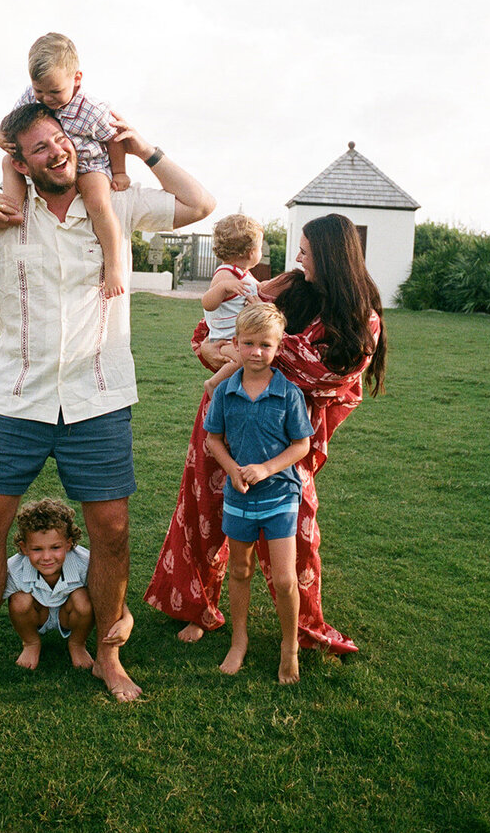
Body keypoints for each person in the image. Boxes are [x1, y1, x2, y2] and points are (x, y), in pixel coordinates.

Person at [0, 102, 215, 700]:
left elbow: (199, 205)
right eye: (39, 148)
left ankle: (109, 655)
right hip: (15, 396)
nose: (56, 151)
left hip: (99, 396)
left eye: (58, 138)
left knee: (110, 531)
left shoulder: (116, 200)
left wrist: (144, 149)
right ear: (21, 164)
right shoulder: (4, 214)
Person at [144, 213, 386, 652]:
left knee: (297, 531)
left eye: (306, 252)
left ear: (330, 257)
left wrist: (257, 345)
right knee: (205, 511)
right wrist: (224, 347)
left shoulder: (359, 318)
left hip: (285, 436)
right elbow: (218, 331)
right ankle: (199, 607)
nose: (297, 258)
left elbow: (327, 375)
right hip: (227, 416)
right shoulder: (290, 289)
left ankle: (305, 629)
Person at [203, 303, 313, 683]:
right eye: (248, 344)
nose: (255, 352)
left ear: (277, 348)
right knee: (239, 570)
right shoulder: (225, 393)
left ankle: (290, 647)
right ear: (235, 343)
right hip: (239, 498)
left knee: (284, 580)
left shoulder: (289, 393)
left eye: (265, 345)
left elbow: (301, 446)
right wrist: (232, 469)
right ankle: (238, 640)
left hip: (281, 496)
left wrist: (266, 468)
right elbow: (213, 439)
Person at [0, 32, 131, 297]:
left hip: (89, 163)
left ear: (76, 79)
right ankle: (11, 209)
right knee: (8, 161)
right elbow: (11, 124)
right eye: (40, 91)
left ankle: (114, 264)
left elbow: (115, 137)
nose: (46, 99)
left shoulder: (91, 108)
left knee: (98, 204)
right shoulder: (30, 97)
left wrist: (119, 171)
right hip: (49, 165)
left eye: (55, 91)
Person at [0, 498, 133, 673]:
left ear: (69, 544)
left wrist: (127, 621)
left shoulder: (85, 563)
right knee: (19, 600)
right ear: (24, 548)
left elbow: (109, 598)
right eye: (37, 549)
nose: (46, 557)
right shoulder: (14, 568)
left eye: (55, 548)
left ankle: (77, 644)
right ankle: (31, 643)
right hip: (36, 613)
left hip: (69, 615)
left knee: (83, 598)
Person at [201, 214, 263, 359]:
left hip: (240, 338)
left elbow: (260, 289)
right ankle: (213, 382)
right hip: (225, 340)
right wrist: (222, 287)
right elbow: (207, 304)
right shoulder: (225, 275)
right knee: (242, 358)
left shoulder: (244, 274)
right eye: (260, 247)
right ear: (251, 252)